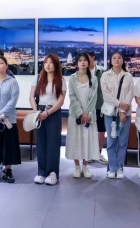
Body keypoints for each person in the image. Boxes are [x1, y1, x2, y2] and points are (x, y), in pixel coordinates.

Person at [31, 54, 66, 185]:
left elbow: (61, 100)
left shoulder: (61, 80)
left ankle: (52, 173)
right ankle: (41, 172)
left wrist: (48, 112)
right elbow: (31, 97)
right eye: (46, 62)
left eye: (51, 62)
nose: (48, 65)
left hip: (53, 112)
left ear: (56, 65)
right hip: (39, 112)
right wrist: (36, 112)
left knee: (53, 143)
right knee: (41, 142)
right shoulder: (38, 78)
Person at [100, 52, 134, 179]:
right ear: (110, 60)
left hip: (125, 114)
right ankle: (112, 168)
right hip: (110, 113)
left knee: (123, 142)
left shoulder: (128, 76)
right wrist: (120, 104)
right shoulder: (105, 75)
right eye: (114, 58)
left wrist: (123, 111)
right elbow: (106, 95)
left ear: (123, 61)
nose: (117, 60)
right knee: (111, 141)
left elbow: (130, 94)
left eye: (119, 58)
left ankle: (120, 168)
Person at [66, 52, 100, 178]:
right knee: (76, 140)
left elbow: (94, 98)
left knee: (87, 140)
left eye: (85, 60)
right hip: (75, 114)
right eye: (80, 60)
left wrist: (87, 114)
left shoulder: (94, 79)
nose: (83, 62)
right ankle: (77, 167)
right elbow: (72, 97)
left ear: (88, 62)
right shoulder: (72, 78)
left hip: (90, 115)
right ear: (77, 63)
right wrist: (81, 113)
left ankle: (85, 167)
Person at [88, 51, 108, 164]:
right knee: (88, 131)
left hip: (100, 105)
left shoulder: (102, 71)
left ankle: (98, 153)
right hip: (86, 107)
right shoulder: (81, 72)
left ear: (93, 57)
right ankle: (89, 154)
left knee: (101, 131)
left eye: (87, 58)